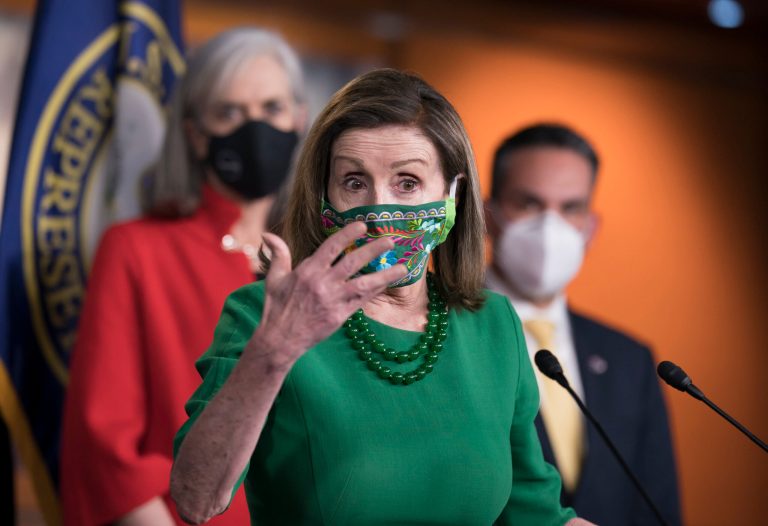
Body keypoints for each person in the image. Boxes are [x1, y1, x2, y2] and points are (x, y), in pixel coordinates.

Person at [170, 69, 595, 526]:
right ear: (324, 197)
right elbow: (196, 499)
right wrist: (274, 353)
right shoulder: (264, 314)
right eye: (354, 182)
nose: (377, 210)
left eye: (407, 183)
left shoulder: (494, 323)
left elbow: (534, 513)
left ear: (452, 195)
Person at [60, 28, 307, 526]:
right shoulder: (135, 250)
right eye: (229, 112)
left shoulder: (318, 260)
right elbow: (106, 449)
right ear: (195, 135)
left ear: (300, 120)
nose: (255, 128)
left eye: (272, 108)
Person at [485, 123, 682, 525]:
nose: (550, 226)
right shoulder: (437, 336)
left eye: (571, 207)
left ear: (591, 229)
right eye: (529, 203)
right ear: (488, 215)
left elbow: (658, 509)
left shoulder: (630, 361)